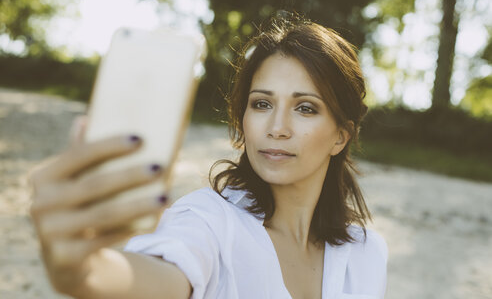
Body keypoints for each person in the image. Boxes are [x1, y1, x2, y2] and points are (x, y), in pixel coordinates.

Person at [29, 17, 387, 299]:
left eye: (305, 108)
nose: (277, 127)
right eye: (262, 104)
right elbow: (165, 277)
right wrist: (87, 271)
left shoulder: (368, 252)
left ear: (341, 136)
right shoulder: (208, 222)